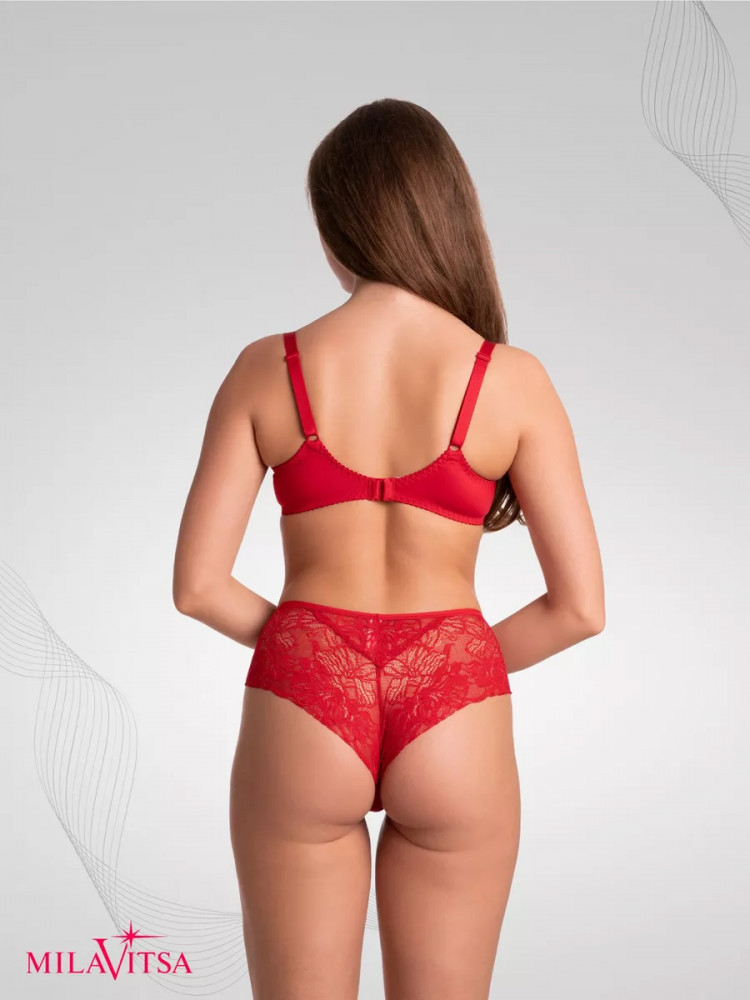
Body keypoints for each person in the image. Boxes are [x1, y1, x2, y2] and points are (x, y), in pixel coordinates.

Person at [172, 98, 605, 1000]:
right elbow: (580, 609)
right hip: (456, 707)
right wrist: (453, 661)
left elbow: (198, 586)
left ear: (340, 227)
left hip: (303, 696)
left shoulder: (268, 367)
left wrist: (311, 647)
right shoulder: (510, 381)